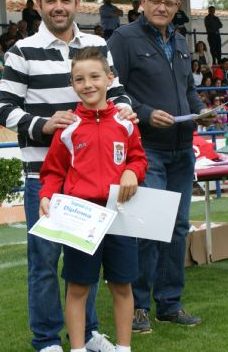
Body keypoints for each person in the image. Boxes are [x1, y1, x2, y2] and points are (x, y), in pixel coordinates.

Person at [0, 0, 133, 352]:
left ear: (76, 3)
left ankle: (87, 335)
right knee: (44, 263)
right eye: (50, 0)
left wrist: (126, 113)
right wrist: (44, 124)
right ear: (38, 5)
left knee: (85, 261)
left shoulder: (97, 46)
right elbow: (2, 110)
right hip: (45, 175)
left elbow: (118, 93)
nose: (58, 7)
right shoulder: (21, 51)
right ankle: (46, 340)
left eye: (66, 0)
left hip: (96, 179)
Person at [107, 0, 214, 334]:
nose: (162, 7)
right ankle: (137, 307)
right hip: (146, 150)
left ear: (177, 7)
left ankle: (169, 304)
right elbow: (110, 90)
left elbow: (188, 89)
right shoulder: (123, 39)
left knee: (178, 228)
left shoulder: (182, 42)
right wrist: (147, 113)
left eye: (169, 2)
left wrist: (201, 110)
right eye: (156, 0)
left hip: (182, 150)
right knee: (147, 229)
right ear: (142, 2)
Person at [39, 47, 147, 352]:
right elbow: (52, 171)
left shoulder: (126, 123)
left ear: (109, 78)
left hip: (120, 215)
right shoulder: (68, 128)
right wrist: (46, 196)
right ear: (72, 84)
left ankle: (124, 348)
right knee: (77, 288)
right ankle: (78, 348)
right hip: (80, 217)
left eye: (95, 76)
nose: (88, 84)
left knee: (122, 286)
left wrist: (131, 173)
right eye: (79, 79)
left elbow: (139, 159)